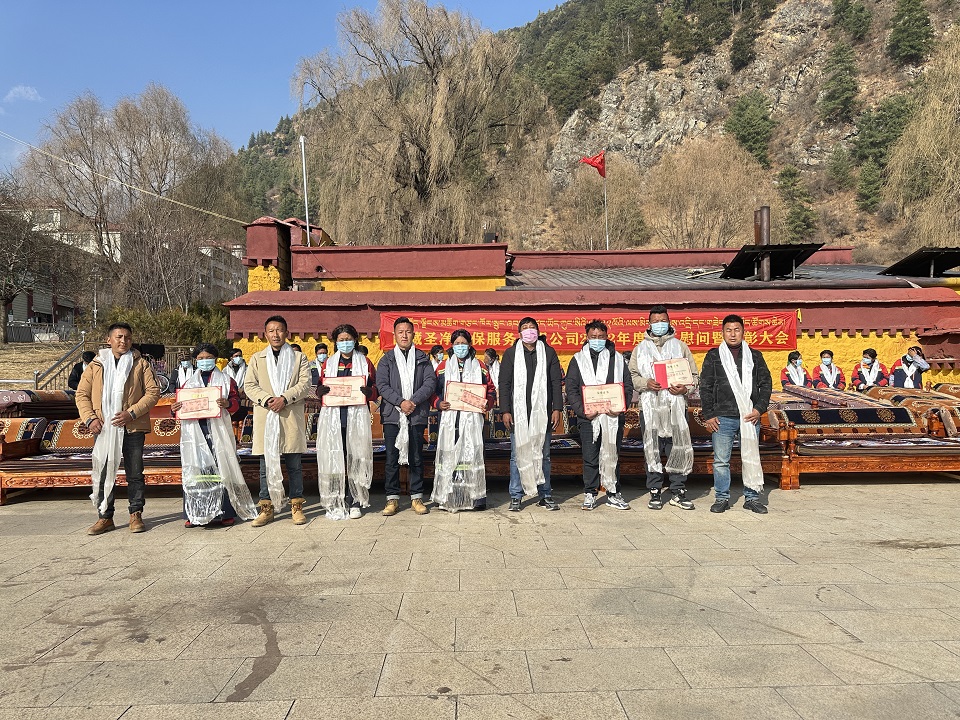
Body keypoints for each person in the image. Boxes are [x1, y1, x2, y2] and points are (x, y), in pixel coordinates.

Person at [76, 323, 161, 535]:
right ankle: (105, 516)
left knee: (135, 473)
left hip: (132, 427)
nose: (124, 341)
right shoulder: (96, 365)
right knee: (103, 471)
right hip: (104, 428)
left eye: (128, 338)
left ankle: (136, 514)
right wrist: (90, 419)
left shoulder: (140, 364)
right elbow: (82, 395)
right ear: (109, 340)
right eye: (119, 337)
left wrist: (131, 413)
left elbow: (153, 392)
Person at [171, 343, 257, 528]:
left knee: (221, 468)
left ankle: (225, 512)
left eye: (208, 358)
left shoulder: (226, 380)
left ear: (215, 359)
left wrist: (228, 404)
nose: (204, 361)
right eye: (200, 359)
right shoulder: (188, 383)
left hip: (219, 431)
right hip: (196, 431)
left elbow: (236, 402)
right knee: (197, 470)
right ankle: (195, 512)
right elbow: (179, 407)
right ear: (195, 361)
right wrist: (174, 409)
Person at [700, 314, 773, 514]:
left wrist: (759, 409)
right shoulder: (714, 356)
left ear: (743, 332)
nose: (733, 334)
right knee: (721, 461)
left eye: (737, 330)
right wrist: (709, 414)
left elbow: (766, 384)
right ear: (722, 333)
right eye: (728, 330)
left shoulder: (755, 356)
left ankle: (752, 498)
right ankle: (722, 498)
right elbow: (705, 386)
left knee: (750, 456)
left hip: (749, 416)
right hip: (722, 417)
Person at [243, 315, 312, 526]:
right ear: (265, 334)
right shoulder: (257, 358)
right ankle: (267, 508)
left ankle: (296, 506)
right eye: (271, 331)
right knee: (266, 467)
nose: (275, 334)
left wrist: (284, 398)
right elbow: (249, 385)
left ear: (286, 333)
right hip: (267, 416)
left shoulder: (299, 358)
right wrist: (267, 399)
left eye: (279, 330)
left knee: (294, 465)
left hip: (289, 416)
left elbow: (305, 384)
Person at [629, 306, 697, 511]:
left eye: (663, 321)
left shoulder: (681, 347)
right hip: (650, 407)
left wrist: (685, 388)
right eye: (655, 321)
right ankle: (655, 490)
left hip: (676, 406)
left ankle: (678, 490)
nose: (659, 324)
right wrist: (645, 383)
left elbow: (694, 376)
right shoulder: (640, 349)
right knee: (653, 447)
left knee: (677, 447)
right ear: (649, 324)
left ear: (669, 322)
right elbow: (632, 376)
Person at [566, 320, 633, 511]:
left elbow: (627, 386)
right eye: (593, 337)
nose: (597, 340)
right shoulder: (578, 359)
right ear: (587, 337)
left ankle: (613, 492)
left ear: (607, 337)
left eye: (601, 337)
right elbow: (571, 388)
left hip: (613, 416)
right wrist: (583, 411)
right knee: (590, 456)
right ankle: (590, 493)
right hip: (589, 418)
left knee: (612, 454)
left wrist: (620, 407)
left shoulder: (618, 359)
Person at [499, 317, 563, 512]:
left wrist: (557, 408)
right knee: (517, 455)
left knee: (543, 455)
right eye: (525, 328)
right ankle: (516, 496)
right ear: (519, 333)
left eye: (532, 327)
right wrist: (505, 410)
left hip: (542, 414)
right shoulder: (511, 354)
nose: (529, 331)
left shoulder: (548, 352)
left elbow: (555, 382)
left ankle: (545, 494)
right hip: (518, 414)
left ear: (538, 331)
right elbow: (504, 383)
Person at [376, 317, 438, 516]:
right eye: (400, 332)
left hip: (416, 414)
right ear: (394, 335)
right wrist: (400, 402)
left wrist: (413, 402)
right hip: (393, 416)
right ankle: (392, 499)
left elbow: (430, 383)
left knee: (416, 457)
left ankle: (417, 497)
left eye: (408, 332)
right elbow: (382, 385)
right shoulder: (387, 359)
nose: (404, 335)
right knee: (391, 458)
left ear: (413, 334)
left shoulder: (422, 358)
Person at [315, 324, 377, 520]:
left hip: (356, 419)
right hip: (334, 419)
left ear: (355, 340)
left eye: (348, 339)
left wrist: (370, 393)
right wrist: (320, 392)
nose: (345, 343)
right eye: (341, 340)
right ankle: (336, 500)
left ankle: (355, 500)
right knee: (335, 460)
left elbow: (375, 387)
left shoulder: (365, 362)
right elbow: (320, 386)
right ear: (336, 342)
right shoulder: (329, 363)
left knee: (356, 460)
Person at [432, 330, 497, 512]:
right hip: (449, 420)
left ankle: (474, 498)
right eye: (457, 343)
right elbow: (432, 390)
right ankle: (447, 497)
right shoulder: (443, 366)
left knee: (470, 456)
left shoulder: (480, 366)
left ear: (469, 345)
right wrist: (438, 403)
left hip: (472, 421)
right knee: (450, 456)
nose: (460, 346)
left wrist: (487, 403)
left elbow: (491, 390)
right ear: (452, 345)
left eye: (463, 343)